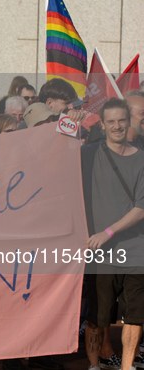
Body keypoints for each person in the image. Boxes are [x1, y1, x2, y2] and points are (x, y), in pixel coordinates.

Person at [81, 98, 144, 370]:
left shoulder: (142, 157)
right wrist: (67, 118)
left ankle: (126, 366)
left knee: (134, 316)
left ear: (128, 121)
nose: (117, 126)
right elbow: (55, 153)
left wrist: (108, 231)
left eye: (121, 120)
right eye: (111, 122)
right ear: (103, 125)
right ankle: (95, 366)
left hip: (136, 250)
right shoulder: (88, 154)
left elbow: (142, 207)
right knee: (97, 316)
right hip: (100, 254)